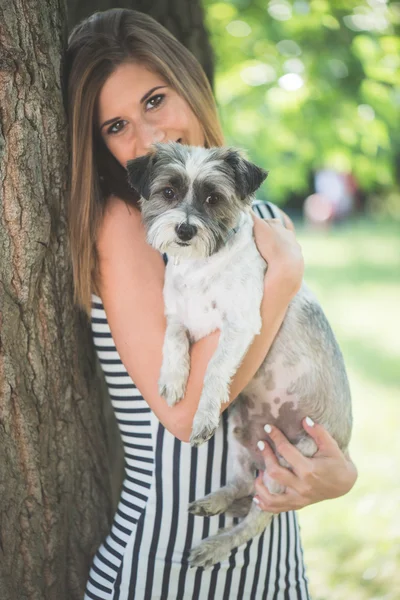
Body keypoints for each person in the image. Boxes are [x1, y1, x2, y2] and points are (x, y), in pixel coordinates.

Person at [65, 8, 357, 600]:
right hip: (168, 570)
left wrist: (338, 475)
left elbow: (308, 369)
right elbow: (184, 414)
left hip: (272, 566)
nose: (149, 136)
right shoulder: (130, 229)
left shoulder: (259, 213)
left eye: (154, 100)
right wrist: (284, 275)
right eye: (115, 127)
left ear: (188, 85)